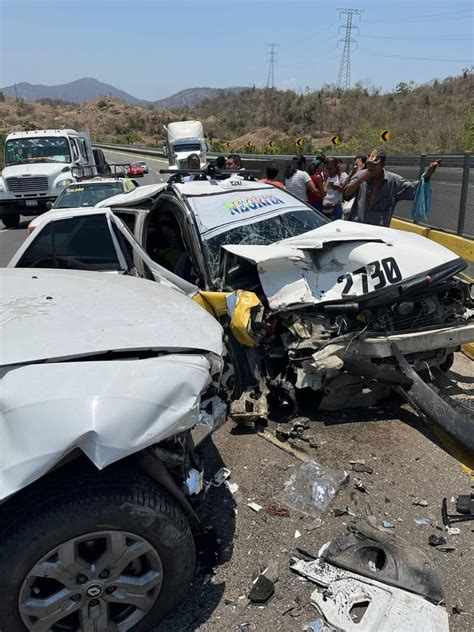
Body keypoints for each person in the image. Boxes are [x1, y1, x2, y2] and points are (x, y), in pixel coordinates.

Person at [344, 148, 440, 227]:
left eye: (375, 165)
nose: (371, 167)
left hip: (379, 232)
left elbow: (414, 189)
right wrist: (360, 180)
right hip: (357, 228)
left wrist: (427, 176)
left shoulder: (394, 181)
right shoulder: (360, 176)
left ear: (383, 165)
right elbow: (346, 194)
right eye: (369, 164)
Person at [341, 155, 367, 219]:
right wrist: (352, 172)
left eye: (357, 164)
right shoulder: (354, 175)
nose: (355, 166)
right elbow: (344, 187)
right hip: (348, 210)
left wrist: (359, 170)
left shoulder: (367, 177)